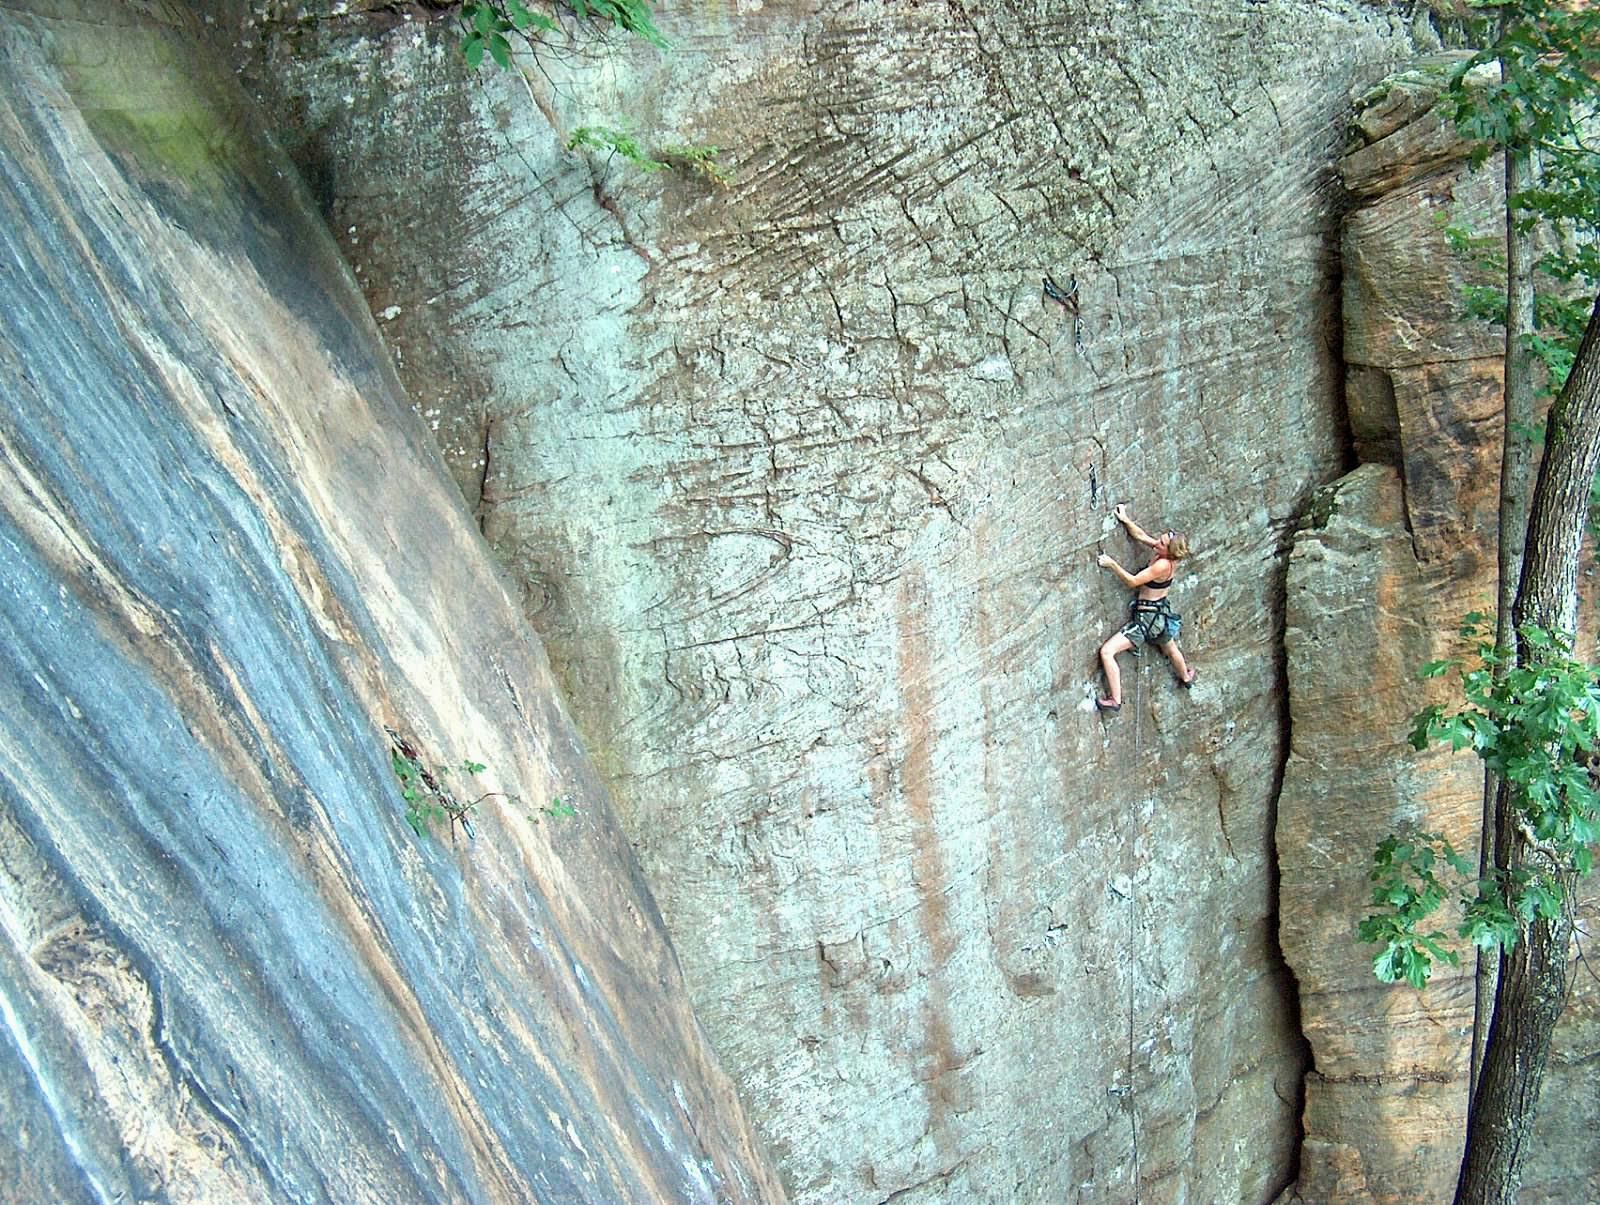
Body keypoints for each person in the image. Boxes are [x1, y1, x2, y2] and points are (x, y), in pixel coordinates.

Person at [1094, 503, 1196, 712]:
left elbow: (1132, 581)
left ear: (1168, 551)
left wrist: (1111, 564)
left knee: (1107, 652)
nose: (1157, 542)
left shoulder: (1162, 565)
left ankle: (1115, 699)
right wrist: (1126, 519)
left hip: (1146, 621)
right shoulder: (1166, 555)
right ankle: (1186, 676)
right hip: (1159, 616)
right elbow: (1141, 536)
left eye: (1161, 543)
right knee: (1170, 647)